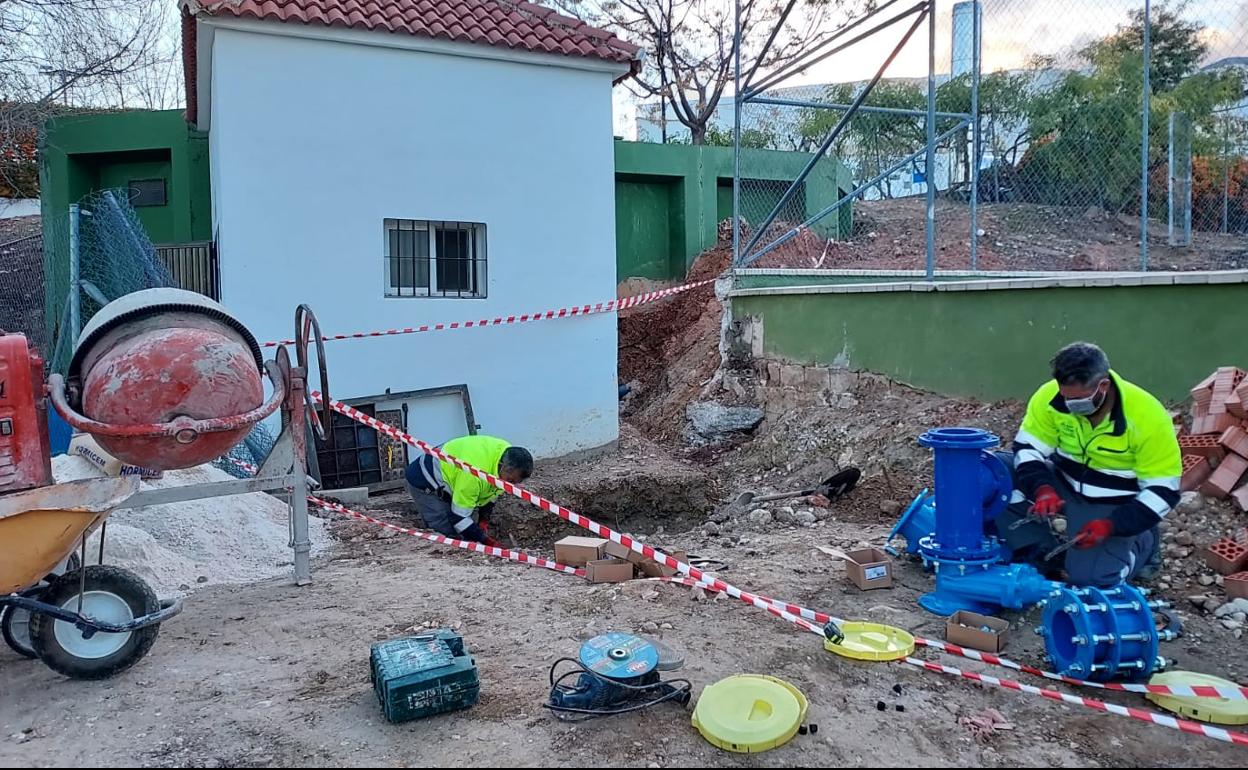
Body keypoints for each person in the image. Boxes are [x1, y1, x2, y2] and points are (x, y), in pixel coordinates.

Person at [995, 342, 1181, 587]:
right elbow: (1028, 449)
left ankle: (1143, 541)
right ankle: (1041, 549)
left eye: (1079, 399)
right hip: (1063, 481)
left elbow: (1163, 490)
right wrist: (1043, 488)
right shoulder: (1050, 397)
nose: (1070, 405)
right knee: (990, 472)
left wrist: (1112, 524)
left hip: (1111, 502)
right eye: (1065, 396)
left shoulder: (1147, 416)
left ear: (1103, 385)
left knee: (1092, 581)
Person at [404, 435, 533, 549]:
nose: (511, 485)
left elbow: (492, 493)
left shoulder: (507, 455)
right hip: (424, 480)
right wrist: (486, 541)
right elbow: (459, 518)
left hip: (454, 477)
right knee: (448, 537)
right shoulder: (473, 476)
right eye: (510, 480)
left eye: (515, 482)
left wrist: (483, 521)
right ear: (504, 467)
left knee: (466, 530)